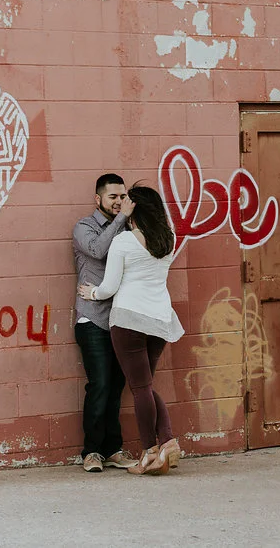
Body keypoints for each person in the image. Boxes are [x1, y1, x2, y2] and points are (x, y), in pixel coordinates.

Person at [78, 184, 184, 476]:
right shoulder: (169, 238)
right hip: (160, 320)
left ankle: (149, 453)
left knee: (140, 388)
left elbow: (110, 286)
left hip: (129, 320)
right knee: (145, 384)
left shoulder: (124, 241)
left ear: (134, 210)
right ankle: (168, 442)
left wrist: (92, 293)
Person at [72, 174, 138, 473]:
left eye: (123, 196)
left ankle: (113, 450)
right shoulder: (84, 227)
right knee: (99, 385)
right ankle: (92, 452)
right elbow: (98, 250)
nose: (119, 202)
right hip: (93, 318)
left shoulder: (130, 227)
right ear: (98, 199)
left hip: (121, 318)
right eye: (113, 197)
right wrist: (122, 219)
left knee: (116, 388)